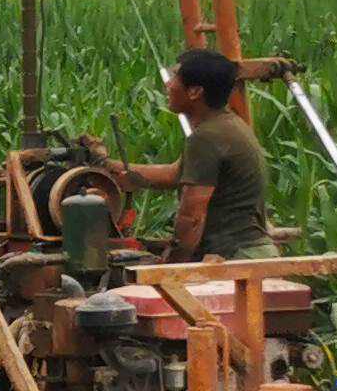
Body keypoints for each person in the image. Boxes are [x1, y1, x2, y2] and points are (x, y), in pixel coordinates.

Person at [115, 46, 274, 261]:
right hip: (254, 254)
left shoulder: (207, 138)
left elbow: (192, 217)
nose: (168, 85)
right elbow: (174, 174)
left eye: (174, 80)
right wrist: (105, 164)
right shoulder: (227, 125)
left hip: (237, 258)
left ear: (195, 92)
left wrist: (172, 267)